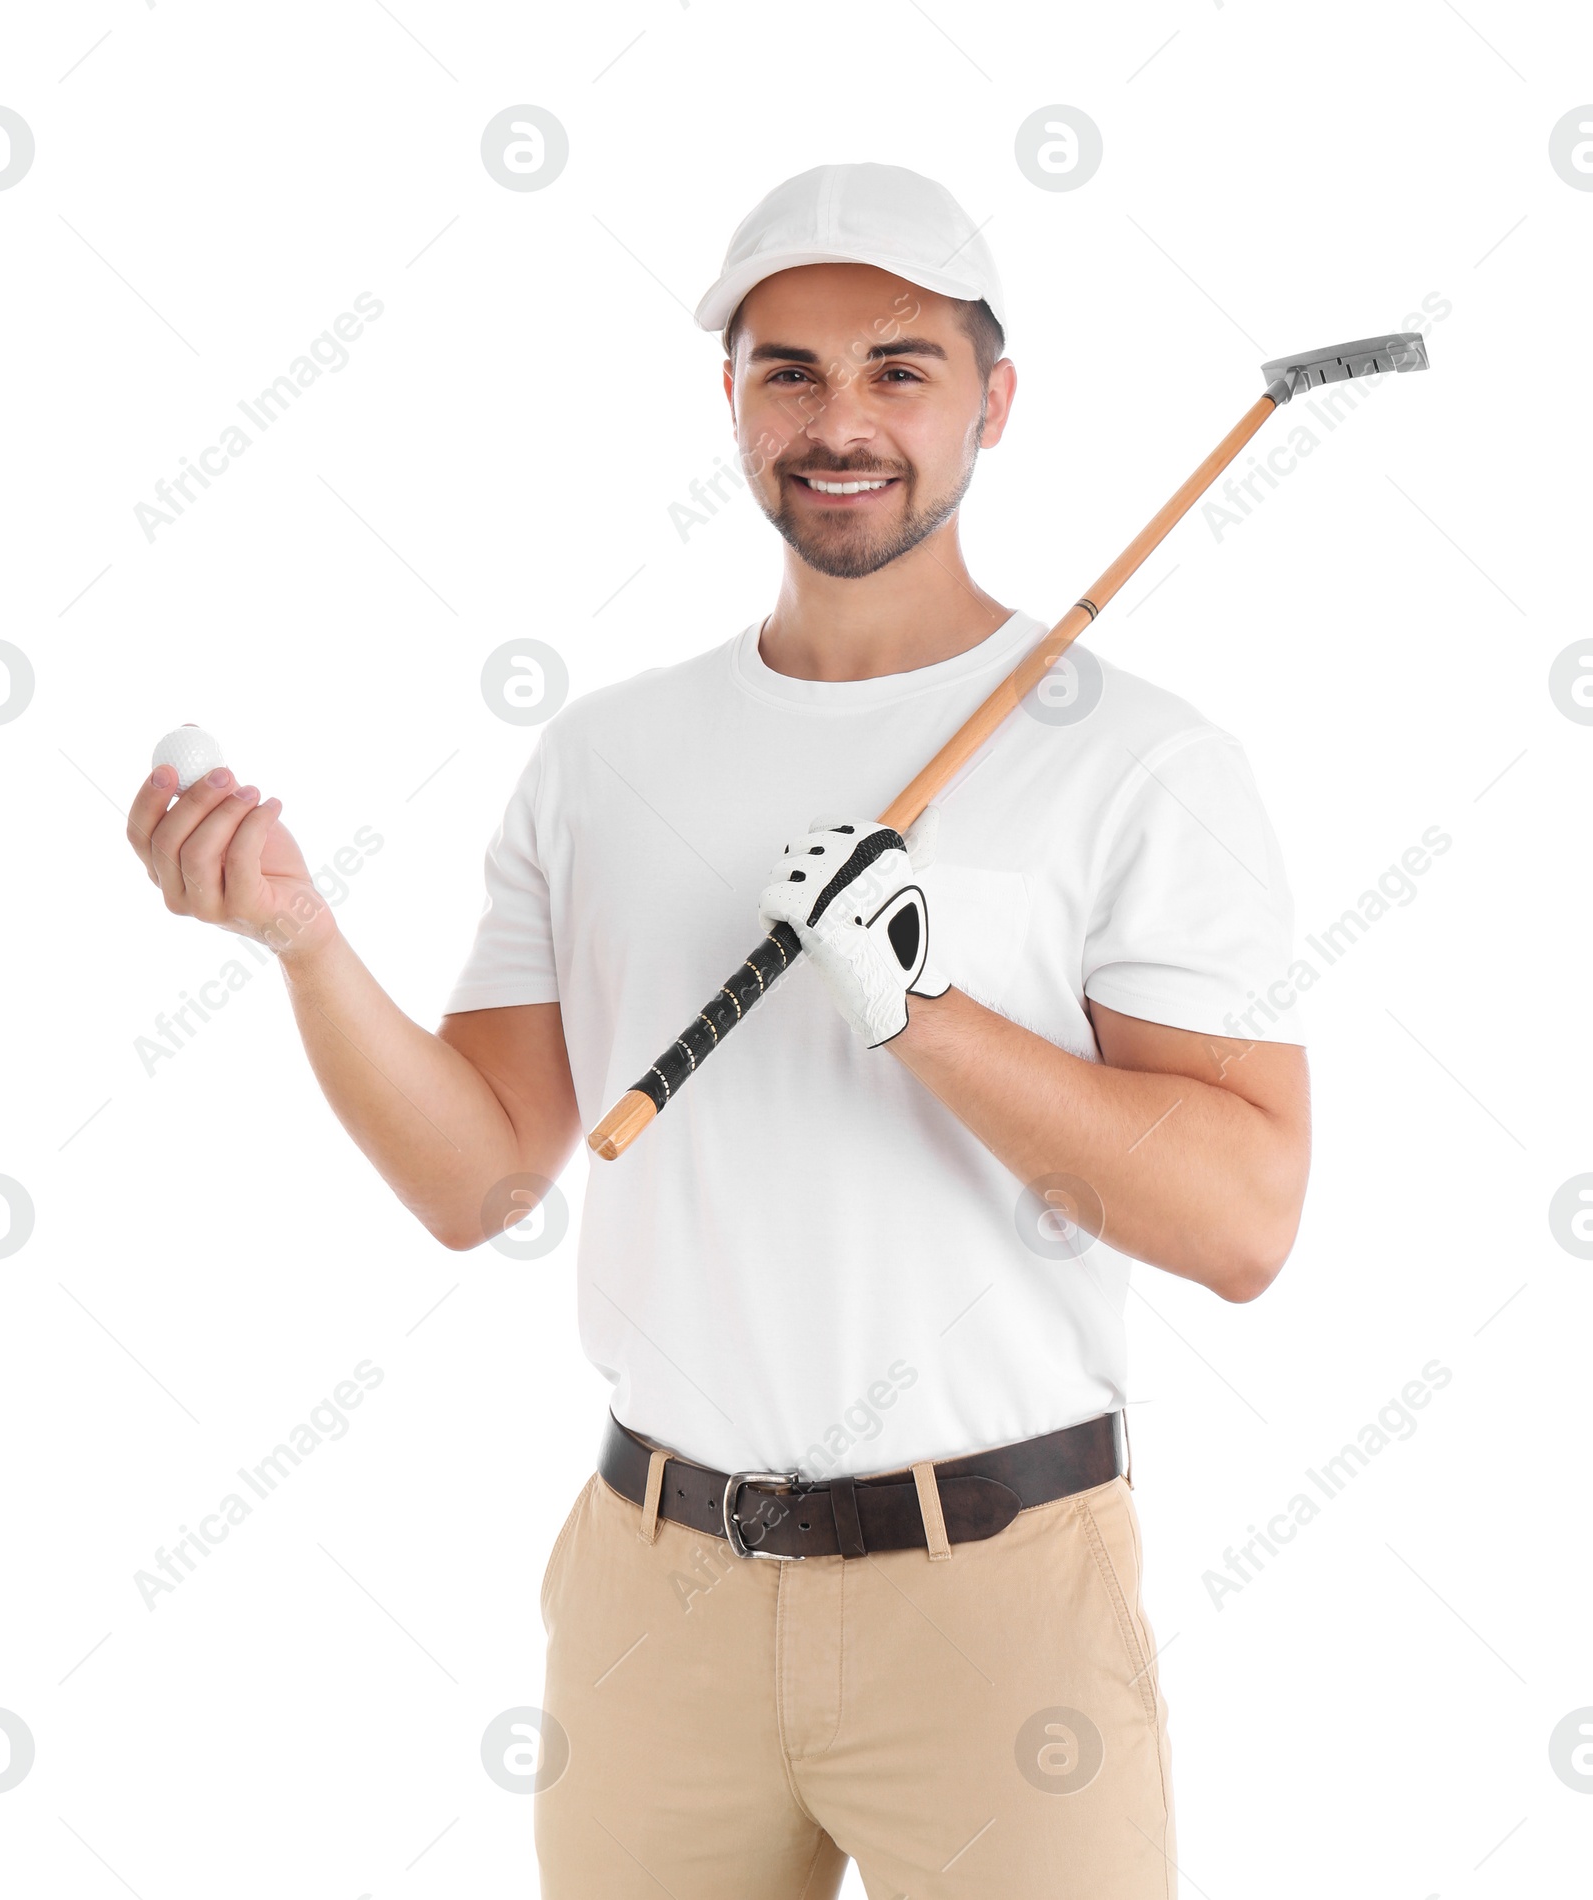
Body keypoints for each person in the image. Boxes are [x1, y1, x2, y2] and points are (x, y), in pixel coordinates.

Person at [127, 162, 1310, 1899]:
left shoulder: (1139, 761)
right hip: (649, 1591)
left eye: (900, 369)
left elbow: (1244, 1223)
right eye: (791, 371)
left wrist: (924, 1015)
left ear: (995, 400)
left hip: (993, 1596)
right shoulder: (605, 759)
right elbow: (477, 1180)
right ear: (734, 402)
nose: (842, 421)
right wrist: (303, 945)